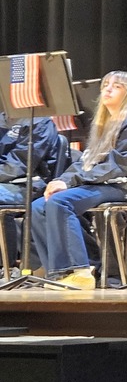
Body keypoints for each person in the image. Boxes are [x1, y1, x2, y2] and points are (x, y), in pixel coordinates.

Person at [30, 71, 127, 289]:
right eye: (105, 85)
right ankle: (65, 271)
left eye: (116, 86)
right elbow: (86, 161)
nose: (108, 89)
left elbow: (120, 165)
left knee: (60, 202)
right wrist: (61, 180)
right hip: (104, 183)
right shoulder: (105, 122)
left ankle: (80, 272)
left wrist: (72, 183)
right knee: (38, 207)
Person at [0, 112, 60, 274]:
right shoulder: (2, 119)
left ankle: (6, 267)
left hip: (29, 183)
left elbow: (20, 164)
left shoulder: (40, 121)